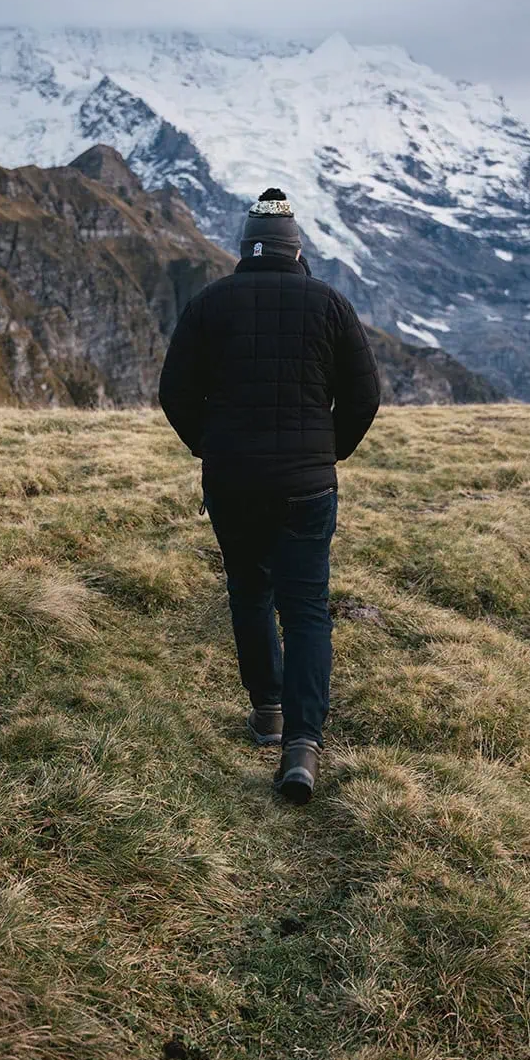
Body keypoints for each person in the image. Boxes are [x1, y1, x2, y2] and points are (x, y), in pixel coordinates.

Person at [158, 188, 381, 804]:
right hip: (307, 486)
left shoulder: (209, 304)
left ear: (243, 249)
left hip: (232, 481)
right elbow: (364, 399)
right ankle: (302, 747)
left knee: (249, 591)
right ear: (296, 249)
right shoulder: (330, 305)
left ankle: (269, 711)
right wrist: (326, 453)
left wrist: (211, 447)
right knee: (307, 609)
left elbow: (174, 393)